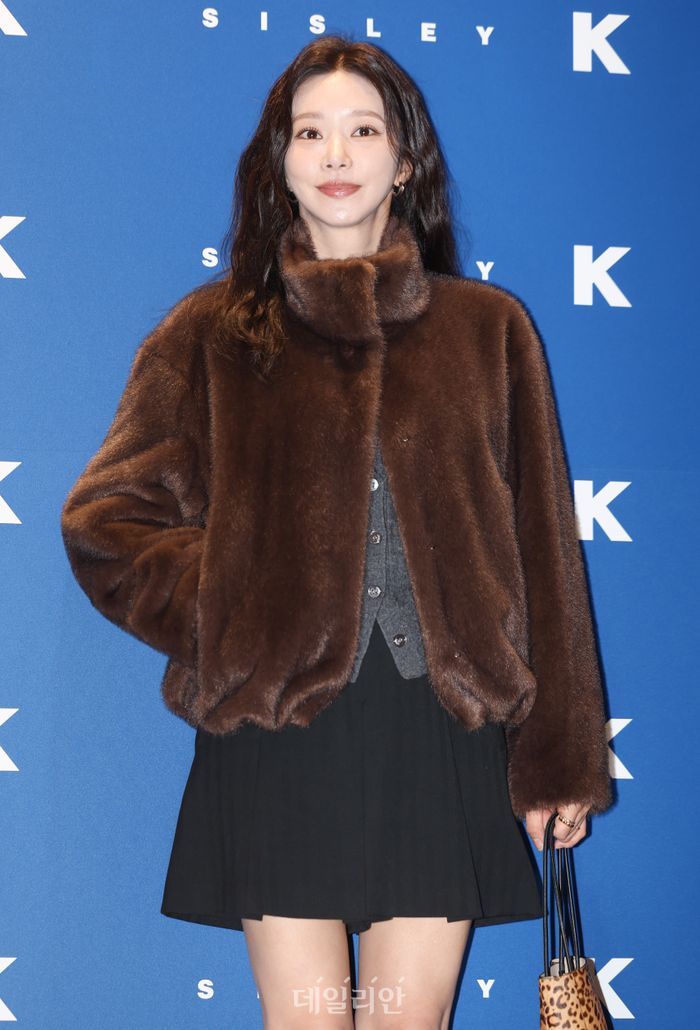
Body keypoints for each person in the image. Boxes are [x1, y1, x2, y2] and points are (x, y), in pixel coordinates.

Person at [60, 34, 612, 1030]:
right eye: (309, 133)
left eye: (364, 129)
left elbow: (545, 554)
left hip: (441, 728)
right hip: (281, 728)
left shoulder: (488, 329)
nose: (336, 154)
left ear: (405, 160)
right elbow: (106, 523)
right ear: (278, 162)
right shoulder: (212, 331)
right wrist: (235, 609)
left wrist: (560, 760)